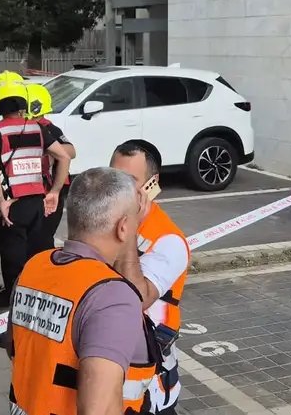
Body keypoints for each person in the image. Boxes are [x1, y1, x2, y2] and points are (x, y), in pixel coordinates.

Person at [8, 167, 163, 415]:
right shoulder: (112, 297)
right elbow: (98, 409)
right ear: (123, 227)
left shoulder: (34, 268)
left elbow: (14, 348)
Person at [111, 140, 190, 414]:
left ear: (151, 185)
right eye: (113, 177)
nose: (117, 189)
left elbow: (137, 298)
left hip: (150, 391)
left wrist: (130, 230)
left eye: (128, 181)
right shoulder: (106, 222)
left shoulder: (169, 241)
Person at [0, 80, 72, 310]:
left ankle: (13, 303)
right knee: (39, 253)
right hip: (39, 203)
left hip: (14, 204)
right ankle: (39, 302)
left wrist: (1, 202)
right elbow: (65, 156)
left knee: (12, 256)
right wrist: (54, 192)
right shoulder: (38, 128)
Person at [27, 82, 76, 249]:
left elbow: (71, 151)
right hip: (30, 192)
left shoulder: (49, 129)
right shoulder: (19, 128)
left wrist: (50, 149)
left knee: (42, 240)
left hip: (49, 192)